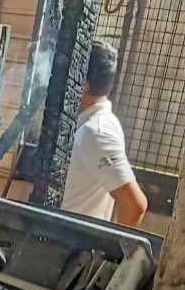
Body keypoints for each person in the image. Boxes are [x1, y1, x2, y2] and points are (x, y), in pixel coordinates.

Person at [61, 40, 149, 227]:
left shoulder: (96, 133)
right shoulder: (88, 124)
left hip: (69, 249)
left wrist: (112, 254)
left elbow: (135, 205)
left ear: (82, 85)